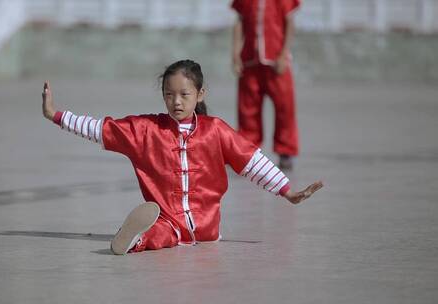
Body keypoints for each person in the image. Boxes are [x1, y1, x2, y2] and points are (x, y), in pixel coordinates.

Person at [42, 59, 322, 255]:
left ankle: (139, 238)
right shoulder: (146, 129)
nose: (176, 101)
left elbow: (252, 161)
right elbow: (101, 129)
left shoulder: (216, 130)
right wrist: (56, 115)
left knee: (172, 234)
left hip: (207, 227)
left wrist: (287, 191)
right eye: (169, 95)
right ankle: (133, 241)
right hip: (168, 220)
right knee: (159, 235)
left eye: (184, 94)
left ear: (200, 94)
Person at [231, 0, 300, 170]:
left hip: (276, 62)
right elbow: (239, 22)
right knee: (247, 110)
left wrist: (284, 55)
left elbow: (289, 23)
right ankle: (248, 150)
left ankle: (285, 151)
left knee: (284, 107)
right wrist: (235, 54)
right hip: (250, 62)